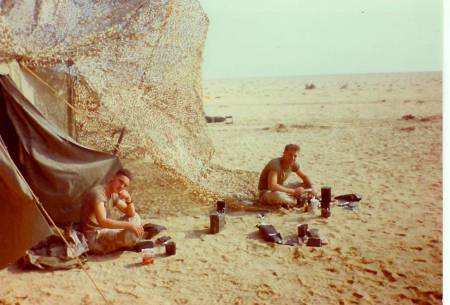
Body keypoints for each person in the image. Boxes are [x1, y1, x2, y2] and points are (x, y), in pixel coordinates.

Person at [80, 168, 145, 254]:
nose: (122, 186)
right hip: (95, 237)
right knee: (132, 233)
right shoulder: (98, 194)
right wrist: (129, 225)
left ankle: (126, 239)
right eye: (120, 181)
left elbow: (130, 213)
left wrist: (129, 199)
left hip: (105, 229)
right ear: (113, 177)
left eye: (125, 185)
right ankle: (126, 241)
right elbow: (103, 221)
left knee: (135, 216)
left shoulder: (113, 193)